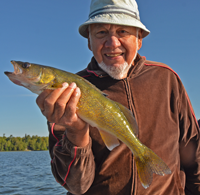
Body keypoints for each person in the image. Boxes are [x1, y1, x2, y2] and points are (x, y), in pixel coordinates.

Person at [36, 0, 200, 194]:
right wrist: (76, 133)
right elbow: (76, 186)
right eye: (101, 33)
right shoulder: (68, 93)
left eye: (123, 31)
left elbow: (194, 154)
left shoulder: (167, 79)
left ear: (139, 39)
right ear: (89, 42)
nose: (112, 43)